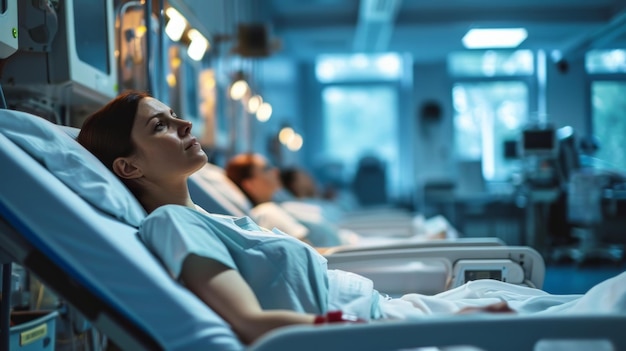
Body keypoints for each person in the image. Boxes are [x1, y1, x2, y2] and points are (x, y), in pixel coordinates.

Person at [77, 91, 620, 346]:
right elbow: (251, 326)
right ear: (127, 165)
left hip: (389, 312)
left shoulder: (211, 218)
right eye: (161, 126)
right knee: (599, 318)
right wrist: (442, 325)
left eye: (174, 114)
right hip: (376, 329)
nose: (183, 122)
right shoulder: (174, 225)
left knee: (594, 306)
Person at [225, 152, 343, 247]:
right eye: (266, 169)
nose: (275, 171)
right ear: (250, 184)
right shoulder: (267, 212)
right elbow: (309, 253)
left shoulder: (277, 207)